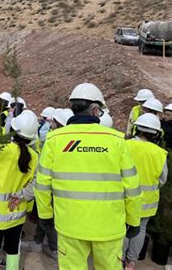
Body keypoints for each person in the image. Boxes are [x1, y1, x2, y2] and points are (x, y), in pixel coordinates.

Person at [34, 83, 142, 270]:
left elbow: (42, 184)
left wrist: (45, 215)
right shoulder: (116, 140)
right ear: (94, 110)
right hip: (109, 227)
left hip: (70, 226)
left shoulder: (54, 140)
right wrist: (133, 220)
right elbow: (132, 188)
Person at [0, 110, 39, 270]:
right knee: (13, 248)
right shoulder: (34, 156)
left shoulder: (1, 149)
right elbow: (35, 185)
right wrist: (21, 195)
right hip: (17, 213)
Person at [21, 109, 73, 260]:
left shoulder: (56, 140)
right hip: (56, 185)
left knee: (50, 218)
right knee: (44, 215)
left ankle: (54, 248)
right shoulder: (68, 140)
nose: (51, 124)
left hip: (53, 186)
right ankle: (37, 242)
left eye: (54, 122)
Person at [123, 113, 168, 270]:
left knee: (124, 228)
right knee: (140, 229)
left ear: (137, 128)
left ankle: (119, 258)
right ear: (156, 133)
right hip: (148, 201)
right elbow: (162, 179)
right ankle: (132, 261)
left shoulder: (125, 146)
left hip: (125, 197)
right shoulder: (159, 153)